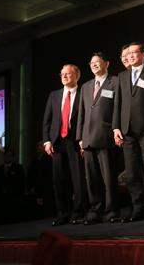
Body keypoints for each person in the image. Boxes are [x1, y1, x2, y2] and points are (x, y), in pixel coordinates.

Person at [113, 42, 144, 222]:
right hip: (126, 131)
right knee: (132, 173)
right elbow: (117, 103)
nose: (131, 56)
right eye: (129, 53)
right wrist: (116, 127)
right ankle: (138, 207)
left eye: (135, 52)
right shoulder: (122, 76)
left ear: (143, 54)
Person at [76, 52, 120, 224]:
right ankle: (96, 210)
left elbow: (117, 108)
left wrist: (115, 128)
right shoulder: (86, 86)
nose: (94, 65)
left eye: (97, 62)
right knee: (92, 179)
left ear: (106, 63)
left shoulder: (115, 82)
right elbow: (82, 113)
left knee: (109, 177)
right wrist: (80, 137)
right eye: (91, 62)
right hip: (87, 138)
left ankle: (111, 210)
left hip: (105, 136)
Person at [42, 64, 87, 226]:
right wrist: (47, 141)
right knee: (59, 179)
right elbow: (46, 121)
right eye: (62, 74)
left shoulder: (84, 93)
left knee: (78, 179)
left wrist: (84, 140)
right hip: (57, 143)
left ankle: (79, 212)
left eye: (68, 74)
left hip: (76, 141)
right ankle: (63, 213)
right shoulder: (54, 95)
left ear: (77, 76)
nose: (64, 76)